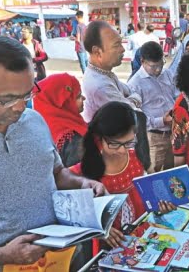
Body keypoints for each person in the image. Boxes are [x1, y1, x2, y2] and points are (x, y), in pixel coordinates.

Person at [0, 35, 104, 271]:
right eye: (6, 99)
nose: (20, 106)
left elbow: (56, 173)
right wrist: (2, 255)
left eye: (28, 93)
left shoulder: (34, 120)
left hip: (67, 260)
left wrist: (81, 184)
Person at [70, 101, 176, 249]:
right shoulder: (79, 173)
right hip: (109, 245)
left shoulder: (136, 157)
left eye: (129, 143)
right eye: (114, 144)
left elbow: (145, 199)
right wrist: (99, 229)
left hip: (141, 236)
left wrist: (159, 207)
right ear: (98, 138)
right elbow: (71, 212)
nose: (122, 151)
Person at [81, 21, 150, 171]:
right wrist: (132, 100)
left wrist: (131, 99)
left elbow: (132, 92)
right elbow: (131, 111)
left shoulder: (105, 74)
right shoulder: (99, 84)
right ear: (97, 52)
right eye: (116, 45)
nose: (123, 49)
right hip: (115, 158)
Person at [128, 42, 177, 173]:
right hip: (153, 139)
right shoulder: (135, 84)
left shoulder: (167, 74)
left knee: (172, 175)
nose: (158, 69)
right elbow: (137, 118)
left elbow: (175, 95)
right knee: (153, 176)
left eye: (161, 64)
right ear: (142, 61)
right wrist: (162, 120)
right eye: (153, 66)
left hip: (173, 134)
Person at [33, 73, 87, 167]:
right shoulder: (73, 140)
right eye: (78, 96)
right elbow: (78, 176)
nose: (84, 98)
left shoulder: (34, 127)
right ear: (64, 103)